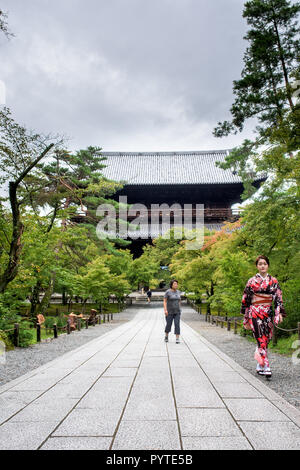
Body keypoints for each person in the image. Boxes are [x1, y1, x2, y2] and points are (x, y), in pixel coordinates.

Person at [240, 255, 286, 379]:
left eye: (264, 264)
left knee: (266, 338)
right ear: (257, 266)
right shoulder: (251, 281)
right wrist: (246, 317)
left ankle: (259, 363)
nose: (262, 266)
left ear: (268, 265)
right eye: (260, 264)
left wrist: (279, 313)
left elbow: (278, 298)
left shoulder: (274, 281)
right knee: (260, 337)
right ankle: (266, 365)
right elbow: (246, 300)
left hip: (268, 312)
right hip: (255, 312)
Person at [164, 279, 182, 344]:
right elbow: (165, 301)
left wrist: (180, 308)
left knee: (177, 324)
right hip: (169, 311)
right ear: (171, 285)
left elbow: (179, 300)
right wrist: (165, 310)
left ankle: (177, 338)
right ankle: (166, 336)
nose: (176, 285)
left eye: (176, 284)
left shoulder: (179, 292)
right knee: (169, 324)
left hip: (177, 311)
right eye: (174, 284)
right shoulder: (168, 292)